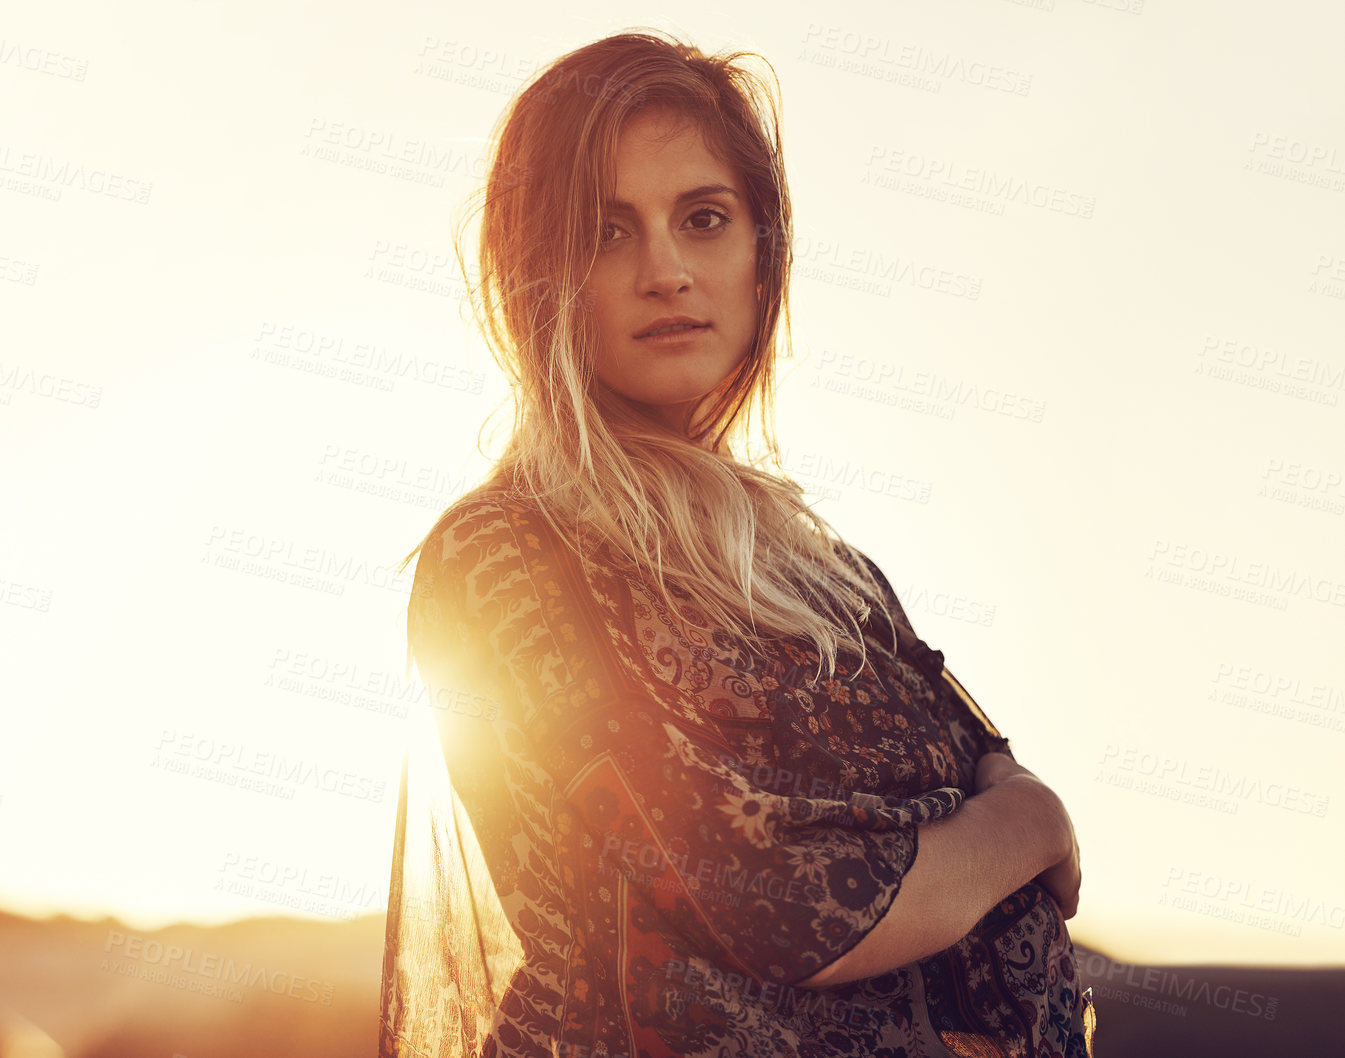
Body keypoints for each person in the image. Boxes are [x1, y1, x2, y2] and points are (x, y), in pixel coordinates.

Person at [377, 31, 1096, 1058]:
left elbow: (980, 750)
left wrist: (1014, 805)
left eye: (702, 219)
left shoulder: (824, 571)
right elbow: (761, 894)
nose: (664, 269)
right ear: (535, 276)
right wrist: (1022, 830)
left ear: (762, 256)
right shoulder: (506, 556)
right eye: (604, 231)